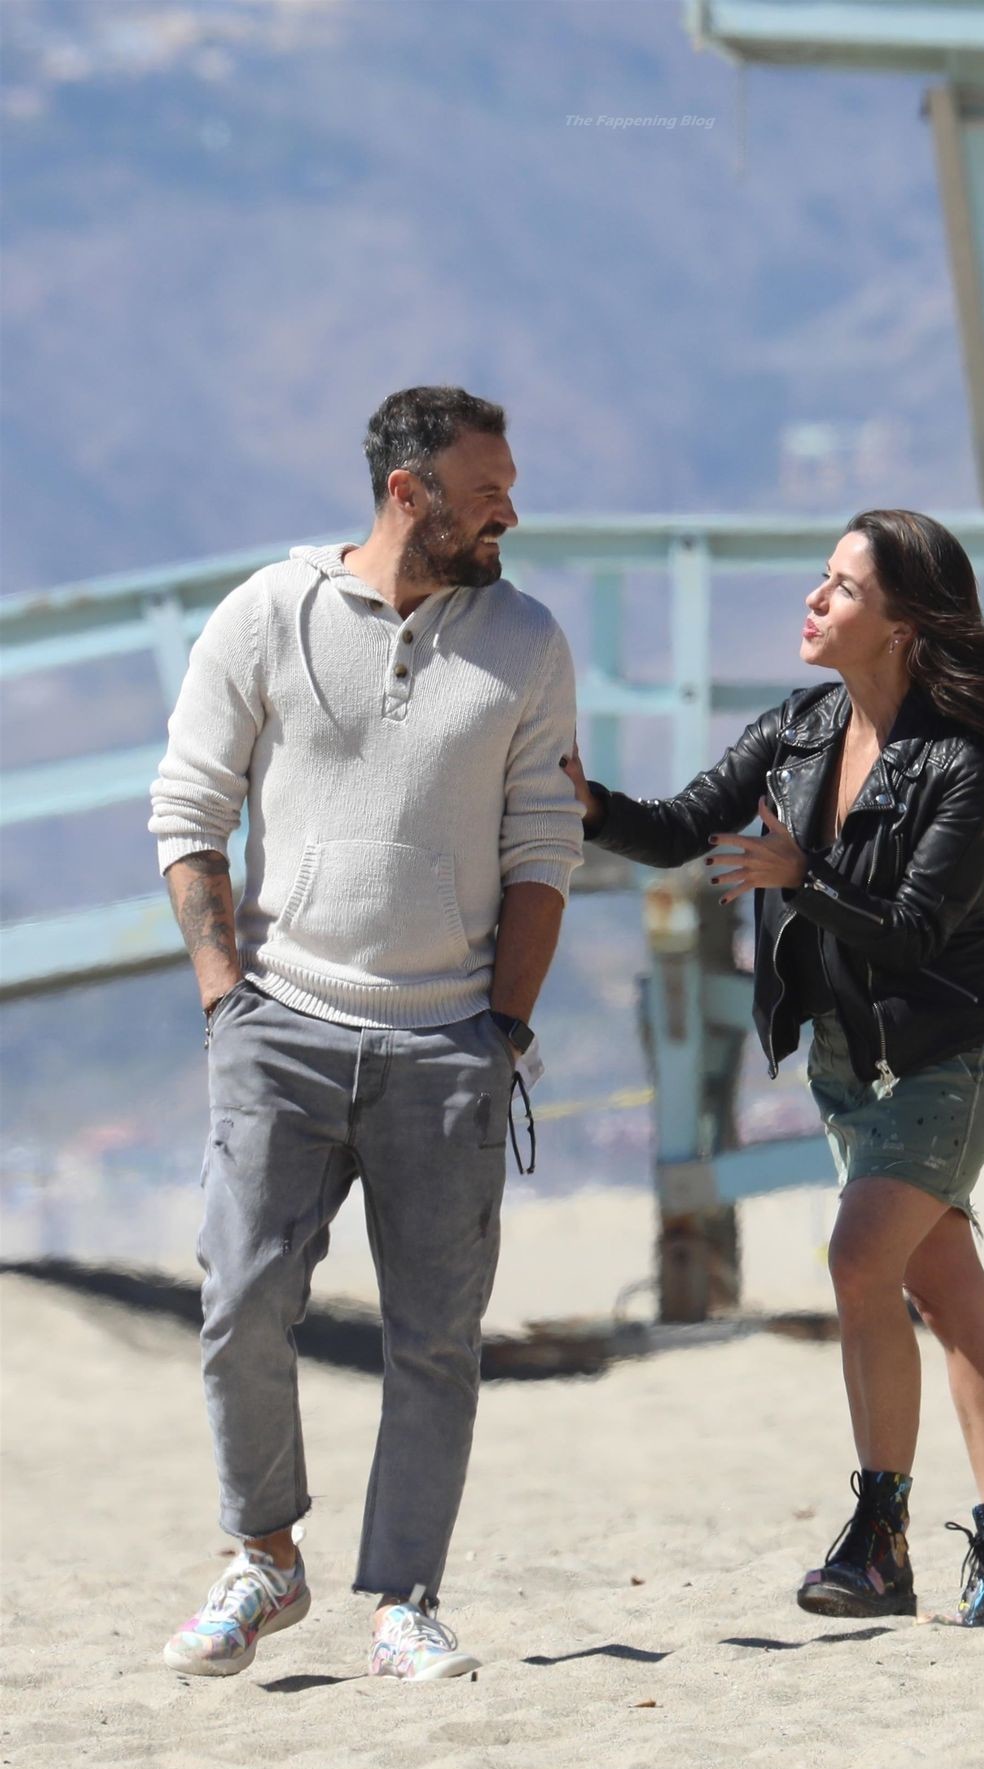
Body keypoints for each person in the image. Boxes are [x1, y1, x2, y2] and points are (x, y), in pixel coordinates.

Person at [564, 508, 984, 1628]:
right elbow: (680, 827)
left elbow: (914, 932)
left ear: (903, 625)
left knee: (858, 1259)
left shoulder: (963, 762)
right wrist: (587, 805)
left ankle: (879, 1540)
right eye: (820, 577)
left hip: (949, 1053)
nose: (814, 599)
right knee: (946, 1292)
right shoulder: (798, 728)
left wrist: (803, 874)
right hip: (847, 1062)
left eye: (842, 587)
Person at [149, 385, 583, 1681]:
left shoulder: (528, 641)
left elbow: (544, 849)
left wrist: (502, 1028)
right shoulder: (265, 613)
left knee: (434, 1341)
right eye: (488, 490)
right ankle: (264, 1559)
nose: (510, 512)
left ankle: (404, 1599)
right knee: (241, 1301)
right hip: (278, 1024)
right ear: (409, 492)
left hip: (447, 1043)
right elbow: (189, 808)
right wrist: (225, 999)